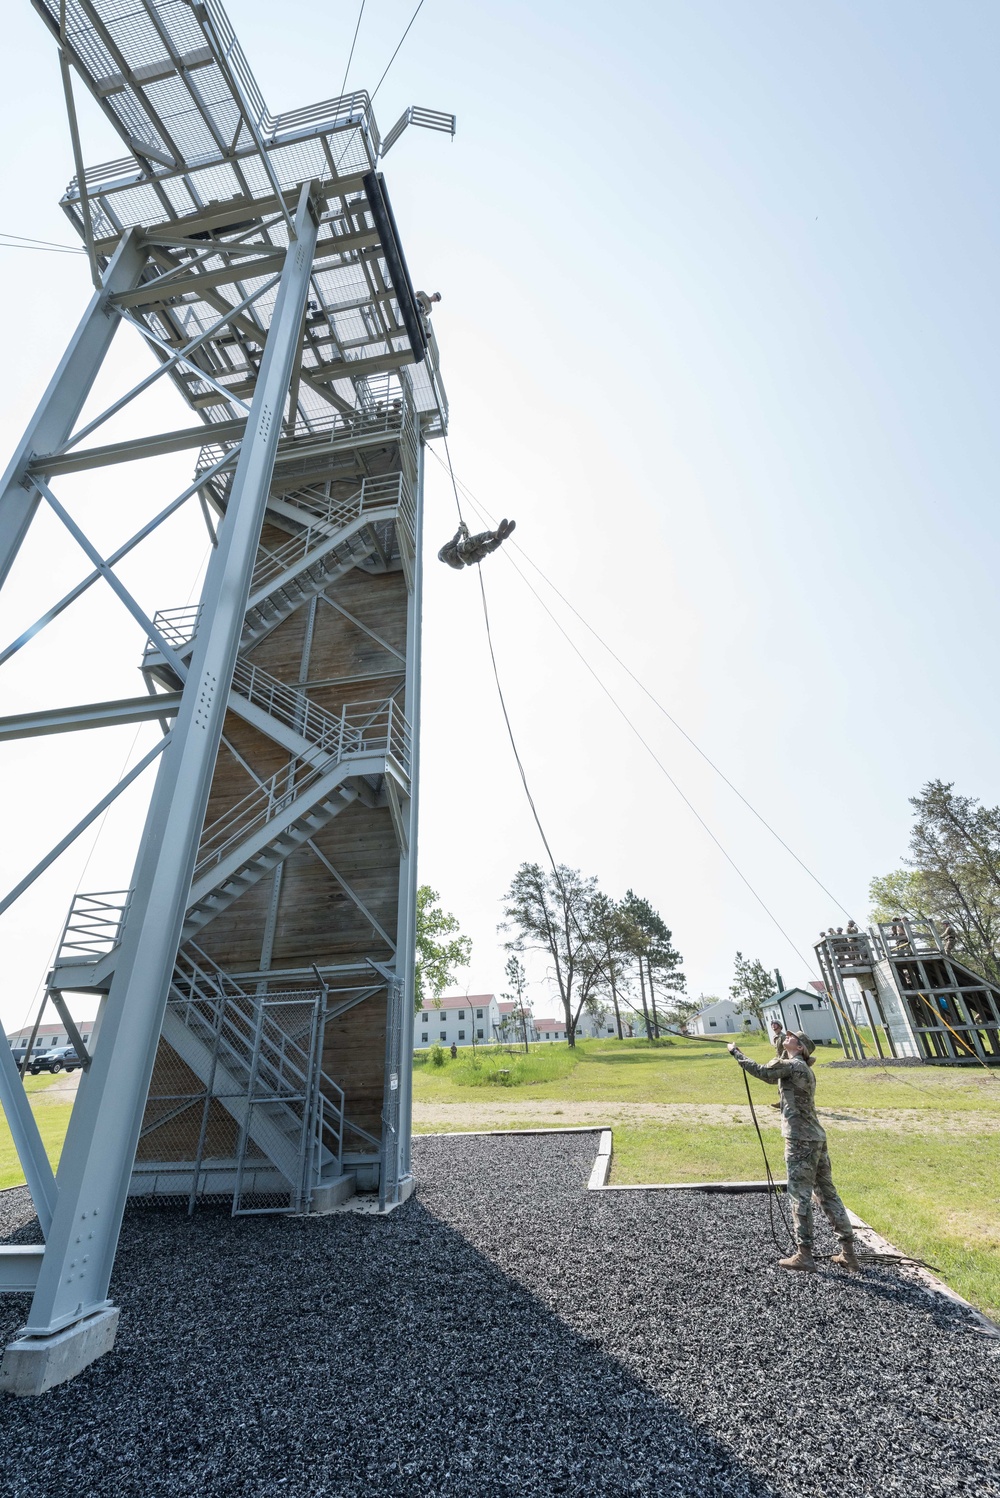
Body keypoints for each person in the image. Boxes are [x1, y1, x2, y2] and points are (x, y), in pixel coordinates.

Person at [727, 1031, 860, 1273]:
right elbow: (774, 1072)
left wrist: (736, 1052)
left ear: (799, 1048)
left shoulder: (793, 1066)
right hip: (816, 1137)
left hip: (799, 1139)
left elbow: (763, 1071)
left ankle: (804, 1255)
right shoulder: (800, 1067)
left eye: (791, 1036)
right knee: (828, 1195)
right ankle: (848, 1254)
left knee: (799, 1196)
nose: (786, 1035)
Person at [437, 517, 516, 569]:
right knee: (478, 539)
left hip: (469, 560)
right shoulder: (442, 552)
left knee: (485, 549)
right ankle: (495, 534)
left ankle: (499, 539)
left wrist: (465, 532)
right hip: (460, 552)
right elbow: (454, 541)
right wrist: (461, 530)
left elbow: (465, 541)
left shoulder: (457, 566)